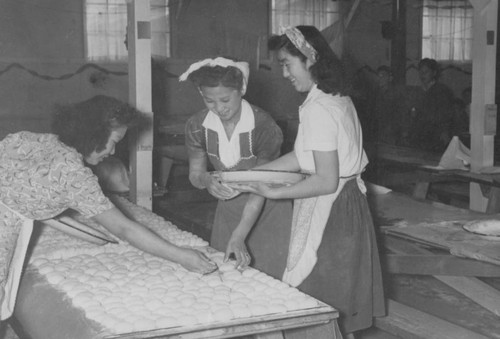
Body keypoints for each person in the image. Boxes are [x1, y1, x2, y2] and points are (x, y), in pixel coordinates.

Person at [0, 95, 217, 320]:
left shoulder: (40, 140)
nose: (113, 152)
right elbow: (125, 229)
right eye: (114, 141)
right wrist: (181, 256)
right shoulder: (75, 176)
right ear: (95, 134)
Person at [231, 26, 385, 338]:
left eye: (288, 63)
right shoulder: (336, 98)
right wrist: (251, 175)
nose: (285, 73)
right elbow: (303, 158)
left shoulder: (319, 108)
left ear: (310, 59)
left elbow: (326, 180)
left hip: (332, 212)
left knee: (316, 303)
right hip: (347, 206)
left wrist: (271, 193)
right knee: (335, 304)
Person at [180, 57, 292, 278]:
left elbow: (262, 183)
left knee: (271, 282)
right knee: (228, 281)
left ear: (241, 89)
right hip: (229, 212)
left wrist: (239, 235)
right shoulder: (196, 126)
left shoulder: (263, 126)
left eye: (224, 100)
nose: (219, 108)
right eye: (209, 101)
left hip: (268, 209)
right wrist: (206, 180)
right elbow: (195, 174)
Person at [409, 58, 455, 152]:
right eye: (420, 72)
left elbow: (447, 115)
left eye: (426, 72)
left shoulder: (442, 91)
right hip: (419, 134)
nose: (422, 75)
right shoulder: (416, 92)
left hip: (436, 135)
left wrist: (444, 132)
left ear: (434, 73)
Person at [372, 65, 409, 145]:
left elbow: (402, 113)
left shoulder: (396, 94)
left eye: (383, 76)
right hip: (379, 131)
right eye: (378, 76)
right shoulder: (375, 93)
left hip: (392, 132)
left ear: (390, 78)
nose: (380, 78)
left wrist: (404, 132)